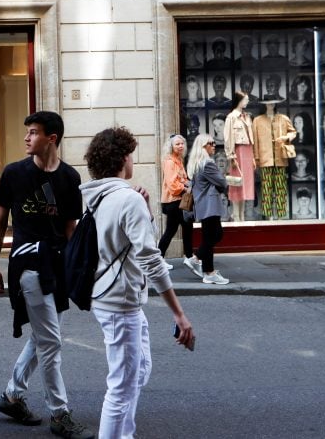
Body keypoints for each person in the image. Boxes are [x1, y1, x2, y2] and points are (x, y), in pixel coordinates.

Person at [80, 127, 194, 439]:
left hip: (112, 297)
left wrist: (144, 213)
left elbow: (124, 242)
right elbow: (151, 259)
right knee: (121, 387)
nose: (133, 160)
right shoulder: (125, 198)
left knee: (137, 372)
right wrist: (179, 313)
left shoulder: (96, 195)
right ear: (122, 159)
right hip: (120, 301)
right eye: (131, 155)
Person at [0, 111, 93, 439]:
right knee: (50, 342)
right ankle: (60, 414)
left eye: (33, 133)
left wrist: (76, 271)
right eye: (27, 132)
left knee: (44, 337)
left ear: (52, 138)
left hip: (58, 266)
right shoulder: (15, 173)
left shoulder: (69, 178)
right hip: (28, 265)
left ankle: (12, 395)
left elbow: (70, 228)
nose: (26, 138)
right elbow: (0, 221)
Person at [186, 134, 230, 284]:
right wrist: (223, 181)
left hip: (203, 205)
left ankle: (208, 272)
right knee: (215, 235)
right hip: (210, 205)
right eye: (210, 143)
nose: (214, 146)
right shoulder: (207, 164)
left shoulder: (198, 163)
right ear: (203, 146)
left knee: (210, 237)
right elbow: (222, 182)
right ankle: (195, 259)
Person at [252, 95, 296, 219]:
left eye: (273, 103)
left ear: (276, 104)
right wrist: (256, 159)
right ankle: (268, 216)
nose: (271, 105)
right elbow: (255, 141)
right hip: (265, 159)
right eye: (268, 103)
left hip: (280, 158)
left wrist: (286, 138)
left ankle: (281, 216)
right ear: (265, 104)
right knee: (266, 188)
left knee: (281, 188)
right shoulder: (257, 120)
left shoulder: (283, 118)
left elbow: (293, 132)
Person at [157, 134, 193, 269]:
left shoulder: (178, 160)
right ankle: (159, 259)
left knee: (187, 228)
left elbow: (181, 179)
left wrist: (189, 183)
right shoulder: (170, 162)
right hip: (173, 202)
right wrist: (186, 187)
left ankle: (189, 257)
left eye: (182, 143)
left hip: (179, 200)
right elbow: (173, 185)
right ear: (171, 146)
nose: (181, 146)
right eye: (177, 144)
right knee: (171, 230)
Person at [223, 92, 255, 222]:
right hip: (238, 152)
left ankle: (242, 216)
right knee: (237, 184)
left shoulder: (247, 117)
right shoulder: (231, 117)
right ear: (239, 100)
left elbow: (251, 138)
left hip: (247, 152)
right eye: (245, 100)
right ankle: (236, 216)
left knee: (245, 185)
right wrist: (231, 156)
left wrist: (253, 157)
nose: (247, 102)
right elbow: (228, 137)